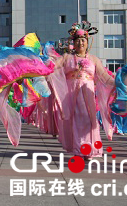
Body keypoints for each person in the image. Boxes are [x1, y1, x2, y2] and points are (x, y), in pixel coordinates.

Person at [47, 21, 115, 158]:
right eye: (77, 41)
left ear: (87, 42)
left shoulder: (94, 59)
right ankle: (79, 150)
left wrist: (118, 83)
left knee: (89, 120)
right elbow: (52, 68)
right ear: (73, 42)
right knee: (76, 120)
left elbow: (104, 76)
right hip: (71, 95)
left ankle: (91, 149)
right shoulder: (67, 58)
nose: (80, 43)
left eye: (83, 40)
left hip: (88, 94)